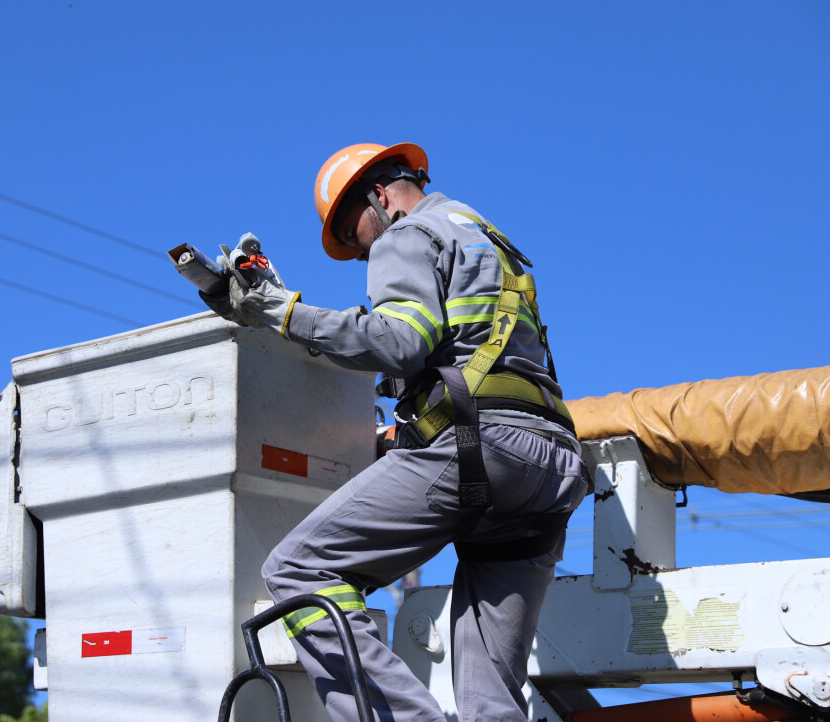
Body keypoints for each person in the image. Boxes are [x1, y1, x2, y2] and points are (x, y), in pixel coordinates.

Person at [203, 142, 588, 722]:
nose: (365, 258)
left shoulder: (405, 235)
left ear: (379, 196)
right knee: (491, 703)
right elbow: (451, 352)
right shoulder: (484, 237)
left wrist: (281, 312)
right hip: (552, 465)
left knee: (299, 570)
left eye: (355, 238)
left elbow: (398, 340)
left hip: (483, 448)